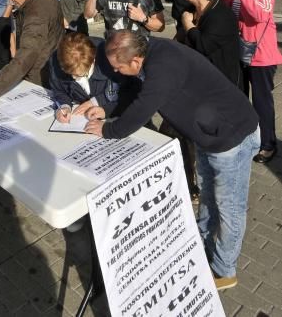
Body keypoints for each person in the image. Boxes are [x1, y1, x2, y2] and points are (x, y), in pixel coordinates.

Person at [85, 30, 260, 292]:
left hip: (230, 138)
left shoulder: (164, 64)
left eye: (118, 67)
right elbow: (139, 94)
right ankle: (200, 245)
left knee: (229, 208)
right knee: (209, 198)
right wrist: (107, 110)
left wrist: (109, 130)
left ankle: (225, 270)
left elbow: (145, 106)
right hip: (207, 136)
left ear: (135, 61)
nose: (117, 73)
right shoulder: (148, 54)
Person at [221, 0, 282, 164]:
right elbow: (223, 15)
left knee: (261, 101)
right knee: (239, 98)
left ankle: (267, 144)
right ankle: (244, 138)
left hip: (261, 56)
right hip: (238, 53)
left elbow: (260, 15)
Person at [49, 32, 139, 122]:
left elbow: (127, 90)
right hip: (85, 118)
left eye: (81, 75)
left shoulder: (111, 59)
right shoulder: (56, 62)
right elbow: (59, 90)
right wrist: (65, 105)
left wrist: (97, 102)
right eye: (69, 74)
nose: (73, 78)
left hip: (118, 114)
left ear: (93, 61)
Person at [181, 0, 241, 87]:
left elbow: (203, 46)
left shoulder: (222, 16)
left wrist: (187, 24)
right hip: (199, 81)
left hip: (222, 86)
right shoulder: (191, 9)